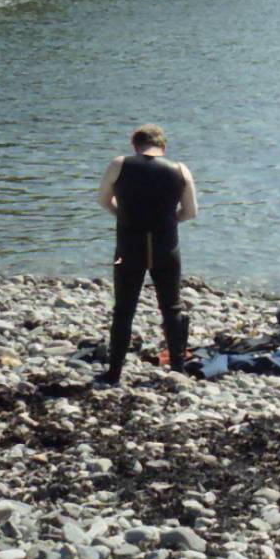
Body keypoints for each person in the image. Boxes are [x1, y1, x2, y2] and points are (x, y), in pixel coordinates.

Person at [93, 124, 198, 386]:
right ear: (163, 146)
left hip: (129, 247)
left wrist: (123, 214)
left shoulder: (119, 164)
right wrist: (168, 221)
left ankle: (114, 372)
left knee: (124, 309)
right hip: (166, 247)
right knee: (171, 308)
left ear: (134, 144)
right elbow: (190, 211)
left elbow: (103, 200)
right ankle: (177, 369)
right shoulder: (180, 170)